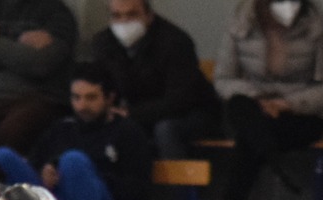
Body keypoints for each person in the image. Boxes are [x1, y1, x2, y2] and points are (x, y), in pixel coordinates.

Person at [210, 0, 323, 200]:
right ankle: (272, 160)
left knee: (249, 139)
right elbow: (223, 79)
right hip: (254, 107)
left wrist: (288, 104)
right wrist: (258, 99)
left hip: (301, 113)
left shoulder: (317, 25)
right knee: (242, 111)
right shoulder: (241, 22)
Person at [0, 63, 156, 200]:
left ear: (110, 98)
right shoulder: (62, 128)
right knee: (2, 157)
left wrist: (85, 177)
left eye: (91, 98)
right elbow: (35, 164)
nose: (82, 106)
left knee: (73, 162)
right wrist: (44, 171)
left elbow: (138, 190)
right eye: (76, 98)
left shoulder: (127, 132)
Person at [87, 0, 222, 161]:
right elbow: (100, 83)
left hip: (192, 113)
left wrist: (131, 114)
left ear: (149, 16)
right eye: (116, 16)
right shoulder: (103, 43)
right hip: (137, 111)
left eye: (132, 14)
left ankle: (177, 185)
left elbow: (180, 100)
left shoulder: (175, 41)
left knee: (165, 129)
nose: (124, 22)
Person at [0, 0, 79, 157]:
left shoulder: (56, 12)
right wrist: (19, 49)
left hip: (39, 99)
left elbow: (42, 64)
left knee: (13, 131)